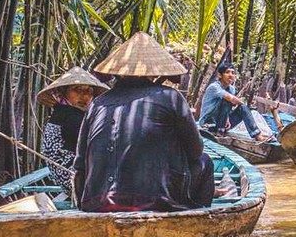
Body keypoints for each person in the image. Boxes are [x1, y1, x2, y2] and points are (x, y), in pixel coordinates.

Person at [73, 32, 214, 212]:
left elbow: (80, 164)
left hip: (96, 202)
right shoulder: (170, 97)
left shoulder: (98, 103)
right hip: (154, 200)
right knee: (205, 161)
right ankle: (199, 222)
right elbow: (195, 151)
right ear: (154, 73)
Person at [37, 67, 108, 195]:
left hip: (72, 179)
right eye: (77, 90)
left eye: (88, 91)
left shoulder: (65, 113)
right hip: (74, 179)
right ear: (63, 93)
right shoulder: (69, 117)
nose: (84, 96)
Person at [199, 63, 268, 141]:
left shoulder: (231, 89)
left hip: (221, 124)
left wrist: (227, 119)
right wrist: (242, 103)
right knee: (231, 101)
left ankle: (257, 134)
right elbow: (231, 99)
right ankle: (220, 131)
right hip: (208, 124)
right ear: (220, 75)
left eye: (233, 73)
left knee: (242, 108)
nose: (230, 75)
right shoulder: (214, 87)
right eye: (227, 72)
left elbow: (227, 107)